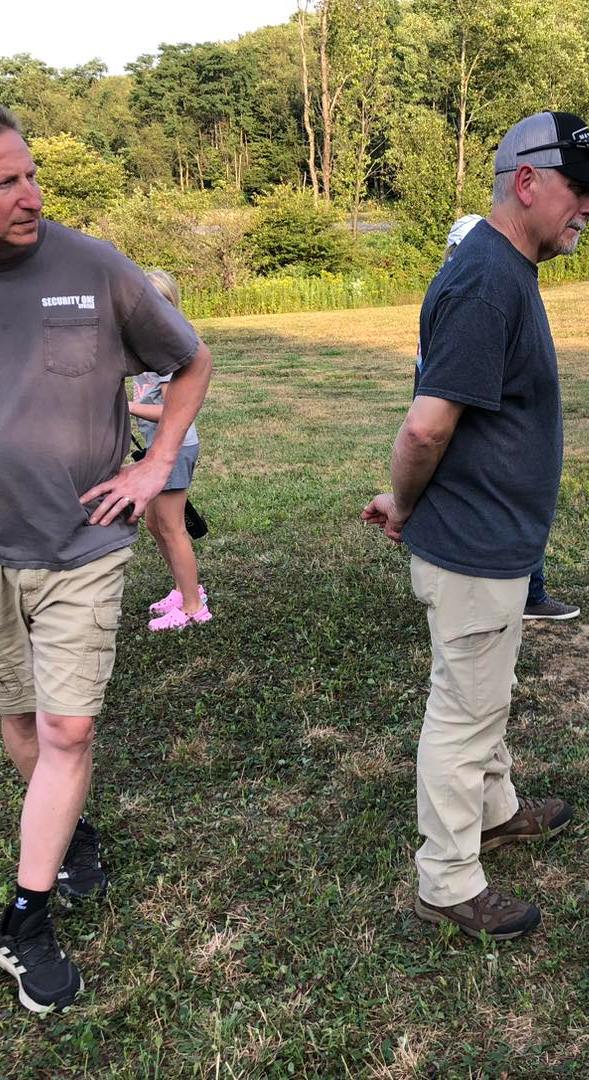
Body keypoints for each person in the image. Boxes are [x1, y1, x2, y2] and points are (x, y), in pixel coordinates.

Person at [364, 112, 589, 940]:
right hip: (473, 544)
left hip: (491, 540)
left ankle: (496, 809)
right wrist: (403, 502)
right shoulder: (486, 280)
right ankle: (447, 879)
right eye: (580, 189)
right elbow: (425, 428)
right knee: (464, 710)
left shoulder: (504, 268)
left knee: (486, 692)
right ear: (526, 182)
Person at [0, 107, 212, 1013]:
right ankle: (70, 830)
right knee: (16, 713)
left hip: (81, 540)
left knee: (68, 729)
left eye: (30, 173)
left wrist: (157, 465)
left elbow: (191, 360)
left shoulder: (94, 267)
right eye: (5, 183)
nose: (30, 196)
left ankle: (24, 919)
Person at [441, 213, 580, 621]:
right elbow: (427, 423)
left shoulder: (483, 284)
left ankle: (527, 592)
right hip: (486, 458)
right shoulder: (474, 292)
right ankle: (527, 594)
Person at [130, 269, 211, 631]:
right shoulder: (147, 345)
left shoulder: (168, 349)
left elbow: (171, 410)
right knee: (154, 523)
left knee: (172, 527)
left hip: (174, 446)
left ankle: (194, 607)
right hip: (158, 445)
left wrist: (126, 407)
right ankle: (183, 589)